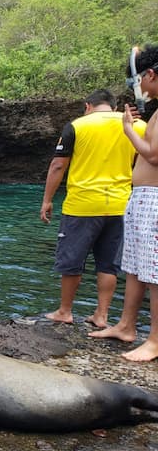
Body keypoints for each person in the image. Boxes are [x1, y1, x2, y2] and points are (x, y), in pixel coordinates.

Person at [40, 89, 146, 327]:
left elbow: (58, 165)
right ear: (114, 106)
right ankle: (102, 315)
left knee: (72, 260)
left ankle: (65, 311)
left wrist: (47, 199)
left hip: (83, 204)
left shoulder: (78, 126)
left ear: (88, 105)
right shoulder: (136, 126)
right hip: (120, 205)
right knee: (108, 263)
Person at [90, 45, 158, 361]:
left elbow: (153, 154)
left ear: (150, 75)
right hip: (141, 199)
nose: (138, 89)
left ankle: (154, 341)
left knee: (154, 272)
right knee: (134, 267)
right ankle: (126, 326)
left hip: (153, 201)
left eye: (137, 82)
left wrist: (129, 130)